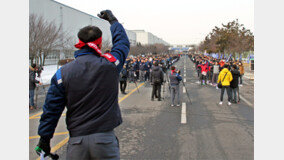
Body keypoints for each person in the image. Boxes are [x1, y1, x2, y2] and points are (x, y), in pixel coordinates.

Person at [36, 10, 130, 160]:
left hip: (76, 142)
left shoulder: (63, 73)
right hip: (104, 141)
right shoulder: (110, 64)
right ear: (99, 42)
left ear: (79, 43)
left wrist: (44, 138)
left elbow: (51, 109)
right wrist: (113, 22)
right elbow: (122, 43)